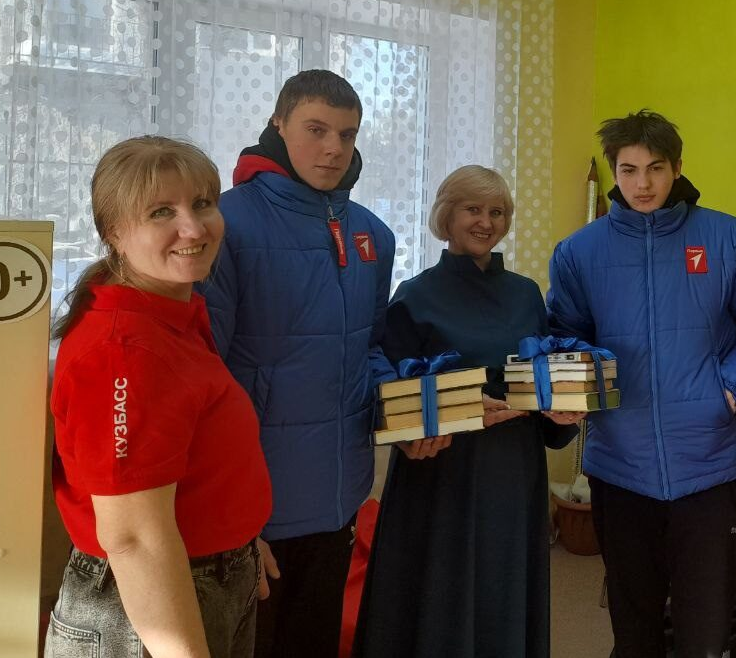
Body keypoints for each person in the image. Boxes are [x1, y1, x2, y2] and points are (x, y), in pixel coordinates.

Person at [547, 110, 736, 658]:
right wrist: (572, 391)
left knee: (705, 632)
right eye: (629, 170)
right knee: (633, 627)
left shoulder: (733, 240)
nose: (642, 184)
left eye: (655, 168)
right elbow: (564, 335)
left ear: (677, 168)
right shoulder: (579, 253)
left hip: (708, 463)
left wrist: (731, 388)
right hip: (620, 465)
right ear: (615, 171)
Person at [46, 137, 272, 658]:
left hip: (203, 576)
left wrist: (238, 540)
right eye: (161, 212)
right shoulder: (124, 350)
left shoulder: (169, 313)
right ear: (114, 233)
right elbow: (133, 540)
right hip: (144, 605)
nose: (193, 228)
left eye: (202, 204)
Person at [198, 70, 397, 657]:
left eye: (347, 134)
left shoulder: (373, 234)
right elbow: (205, 374)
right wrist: (230, 511)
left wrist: (407, 410)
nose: (334, 148)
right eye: (316, 129)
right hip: (257, 498)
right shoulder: (225, 224)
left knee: (314, 643)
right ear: (278, 125)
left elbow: (371, 349)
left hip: (340, 492)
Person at [352, 165, 583, 658]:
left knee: (503, 589)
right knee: (441, 594)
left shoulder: (526, 293)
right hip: (440, 473)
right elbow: (391, 398)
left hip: (514, 471)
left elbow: (539, 380)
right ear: (446, 215)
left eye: (497, 212)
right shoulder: (414, 296)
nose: (485, 222)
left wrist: (561, 414)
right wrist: (434, 419)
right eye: (472, 209)